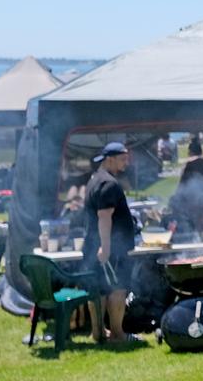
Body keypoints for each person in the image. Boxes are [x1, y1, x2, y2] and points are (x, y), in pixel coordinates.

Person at [81, 142, 136, 343]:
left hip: (94, 246)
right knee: (117, 289)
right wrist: (106, 247)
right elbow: (104, 216)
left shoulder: (95, 179)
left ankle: (98, 333)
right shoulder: (109, 184)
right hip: (111, 248)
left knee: (99, 290)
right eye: (123, 159)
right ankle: (117, 334)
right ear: (109, 159)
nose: (126, 163)